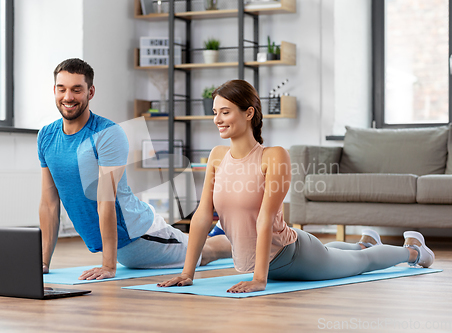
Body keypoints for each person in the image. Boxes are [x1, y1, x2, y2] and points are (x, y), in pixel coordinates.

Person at [158, 79, 435, 293]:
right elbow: (203, 217)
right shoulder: (217, 156)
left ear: (248, 113)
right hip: (268, 263)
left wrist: (259, 279)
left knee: (361, 265)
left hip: (293, 256)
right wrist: (187, 273)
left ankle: (415, 251)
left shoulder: (273, 156)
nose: (217, 119)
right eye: (215, 112)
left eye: (225, 112)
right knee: (341, 254)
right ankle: (365, 243)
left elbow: (265, 218)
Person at [38, 58, 231, 280]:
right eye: (61, 89)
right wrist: (42, 263)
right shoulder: (46, 136)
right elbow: (49, 203)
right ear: (54, 90)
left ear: (90, 92)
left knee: (204, 252)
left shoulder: (107, 134)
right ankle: (222, 233)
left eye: (76, 90)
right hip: (118, 245)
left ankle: (240, 239)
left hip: (139, 234)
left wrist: (108, 266)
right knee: (200, 245)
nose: (68, 97)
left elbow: (105, 201)